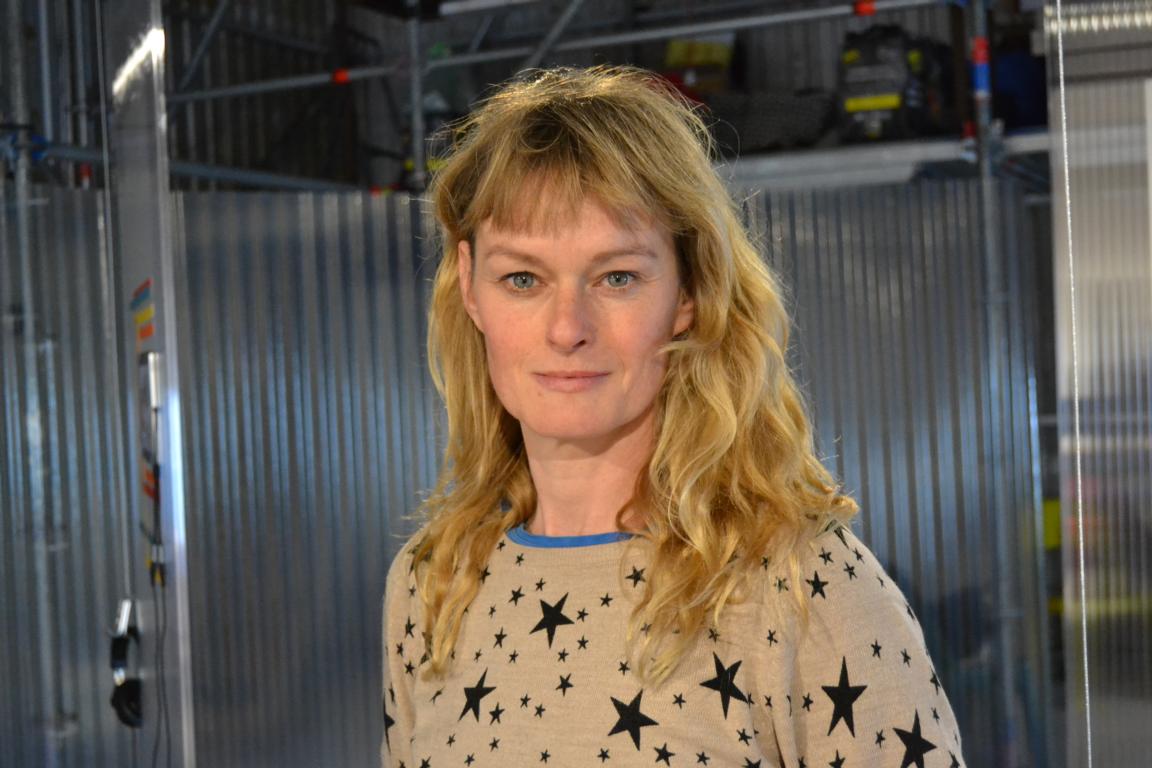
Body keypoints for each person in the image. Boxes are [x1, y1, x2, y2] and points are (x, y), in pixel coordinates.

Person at [382, 66, 966, 768]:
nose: (567, 328)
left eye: (617, 277)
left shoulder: (801, 585)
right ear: (471, 290)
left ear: (689, 293)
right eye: (523, 279)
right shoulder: (431, 583)